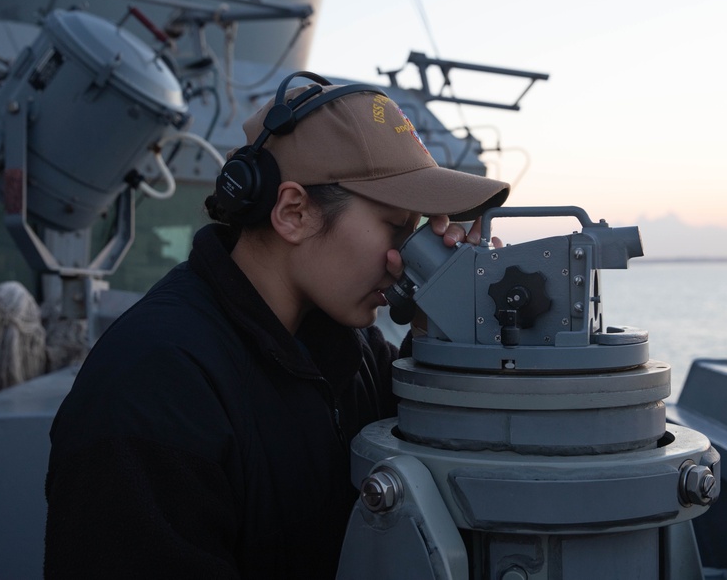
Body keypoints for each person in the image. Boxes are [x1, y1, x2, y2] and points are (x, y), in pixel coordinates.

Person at [43, 73, 509, 579]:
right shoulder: (153, 382)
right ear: (293, 212)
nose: (404, 258)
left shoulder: (355, 354)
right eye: (395, 226)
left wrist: (444, 332)